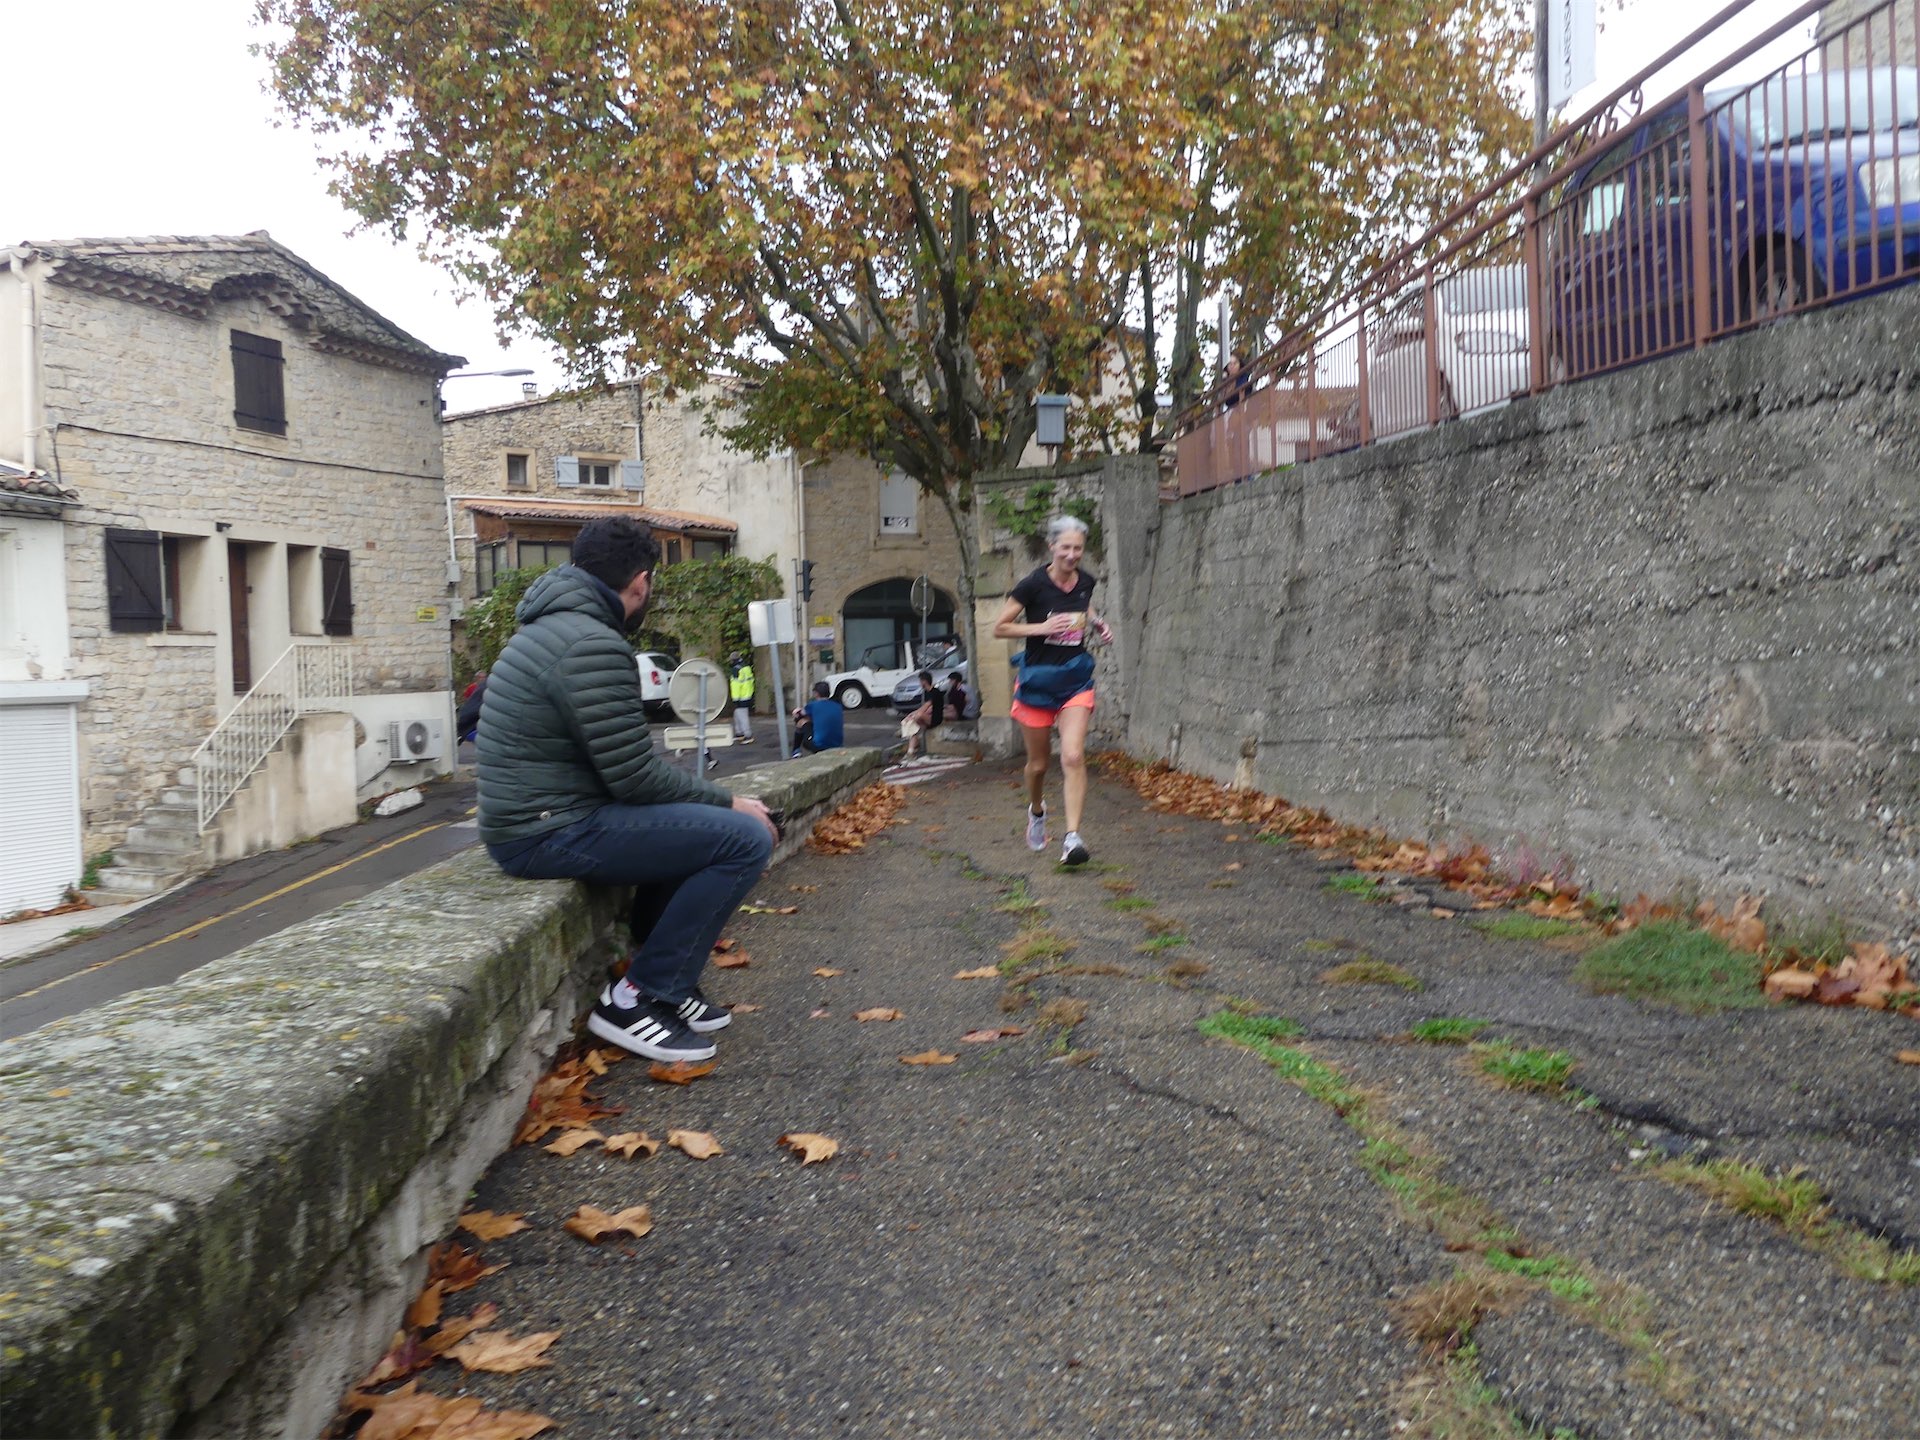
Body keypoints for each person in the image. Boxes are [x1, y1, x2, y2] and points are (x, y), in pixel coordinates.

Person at [477, 517, 777, 1063]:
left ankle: (670, 982)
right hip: (545, 831)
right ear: (640, 582)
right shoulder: (592, 643)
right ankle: (636, 997)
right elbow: (635, 777)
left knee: (703, 831)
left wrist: (710, 806)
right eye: (651, 586)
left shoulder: (556, 625)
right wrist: (730, 801)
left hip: (543, 819)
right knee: (745, 838)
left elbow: (623, 771)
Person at [993, 515, 1111, 866]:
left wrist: (1097, 623)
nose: (1072, 555)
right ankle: (1036, 809)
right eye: (1066, 548)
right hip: (1037, 683)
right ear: (1051, 547)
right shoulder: (1032, 585)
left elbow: (1084, 605)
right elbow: (1000, 628)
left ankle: (1072, 838)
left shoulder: (1085, 581)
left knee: (1072, 756)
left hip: (1074, 680)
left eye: (1078, 548)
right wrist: (1042, 628)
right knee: (1038, 765)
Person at [899, 669, 944, 762]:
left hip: (935, 719)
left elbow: (925, 707)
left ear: (924, 681)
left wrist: (912, 715)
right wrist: (910, 715)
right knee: (913, 728)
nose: (919, 683)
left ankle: (904, 731)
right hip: (927, 717)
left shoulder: (935, 692)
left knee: (917, 716)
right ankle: (910, 752)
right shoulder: (926, 692)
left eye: (920, 681)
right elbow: (924, 708)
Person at [791, 680, 844, 757]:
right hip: (838, 745)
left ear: (816, 693)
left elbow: (798, 714)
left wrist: (796, 712)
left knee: (801, 721)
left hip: (819, 746)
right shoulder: (838, 706)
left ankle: (796, 751)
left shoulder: (812, 705)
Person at [728, 653, 755, 744]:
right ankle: (739, 733)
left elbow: (736, 685)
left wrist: (735, 698)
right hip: (747, 694)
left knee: (742, 715)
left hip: (740, 696)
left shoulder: (736, 669)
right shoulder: (745, 667)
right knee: (737, 714)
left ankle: (748, 735)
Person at [455, 671, 487, 744]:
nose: (482, 679)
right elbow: (467, 699)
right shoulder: (472, 687)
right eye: (480, 677)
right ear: (476, 678)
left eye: (484, 677)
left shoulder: (486, 687)